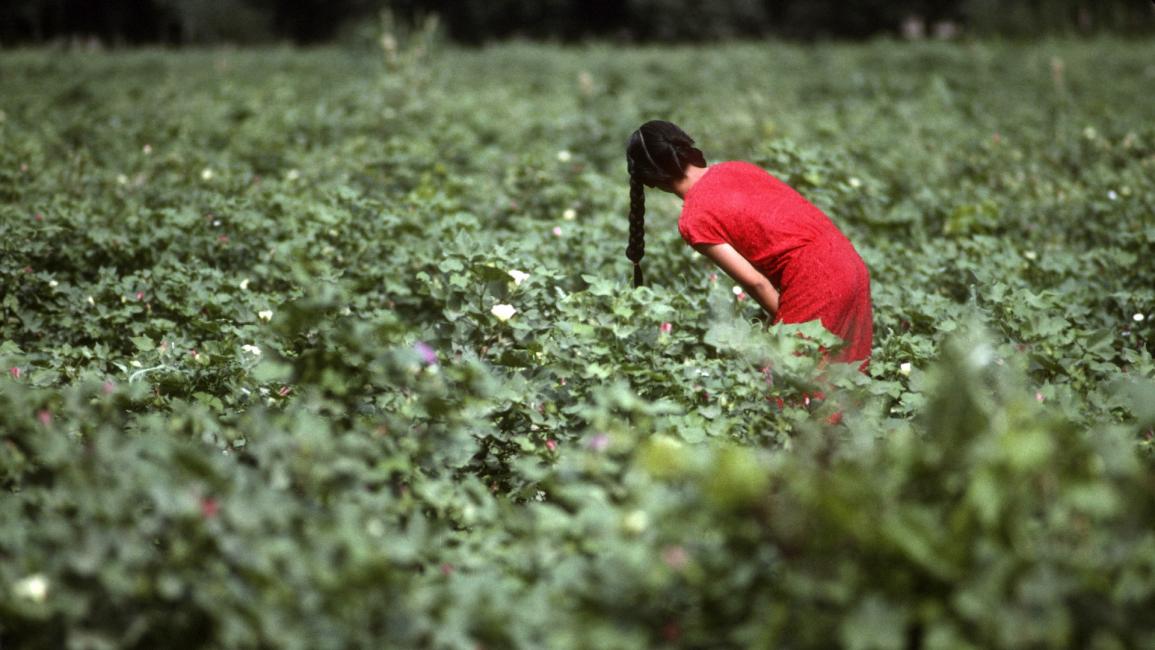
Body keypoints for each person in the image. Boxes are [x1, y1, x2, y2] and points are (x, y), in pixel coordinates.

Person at [625, 119, 873, 368]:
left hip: (815, 278)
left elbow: (756, 283)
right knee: (844, 379)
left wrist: (785, 325)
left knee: (789, 387)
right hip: (849, 262)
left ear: (651, 180)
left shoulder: (694, 218)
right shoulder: (738, 168)